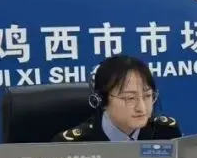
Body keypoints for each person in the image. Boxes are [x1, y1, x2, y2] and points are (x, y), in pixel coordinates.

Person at [54, 54, 182, 142]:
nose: (142, 108)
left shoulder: (166, 133)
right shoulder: (74, 145)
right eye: (130, 98)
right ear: (101, 101)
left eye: (147, 96)